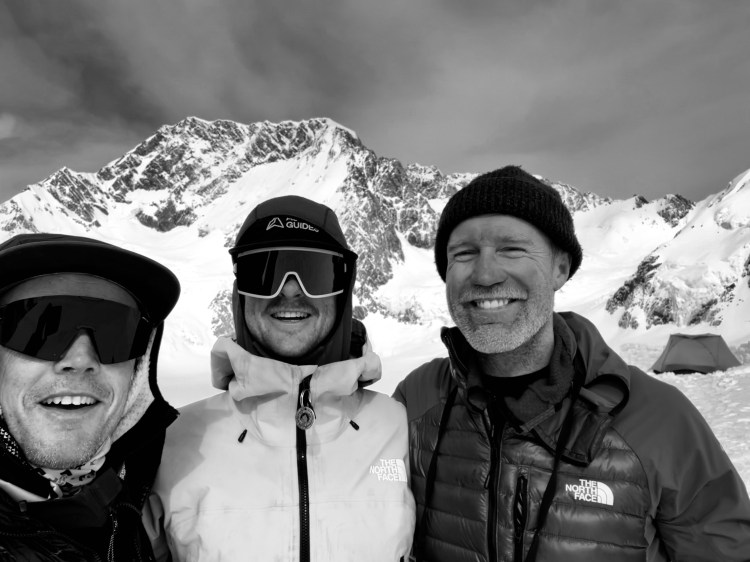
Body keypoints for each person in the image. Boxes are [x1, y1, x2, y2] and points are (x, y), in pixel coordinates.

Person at [393, 166, 750, 561]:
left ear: (560, 269)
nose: (486, 273)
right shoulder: (416, 399)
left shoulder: (660, 419)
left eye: (512, 249)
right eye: (463, 254)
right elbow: (365, 505)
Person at [147, 195, 415, 561]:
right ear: (240, 293)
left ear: (344, 289)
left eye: (315, 272)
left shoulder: (399, 426)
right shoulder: (173, 441)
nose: (289, 290)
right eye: (264, 273)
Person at [0, 233, 181, 560]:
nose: (81, 359)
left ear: (138, 369)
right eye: (40, 328)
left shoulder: (131, 503)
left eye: (116, 332)